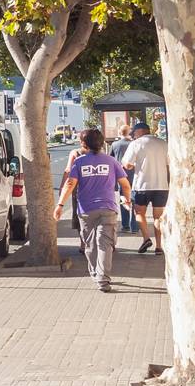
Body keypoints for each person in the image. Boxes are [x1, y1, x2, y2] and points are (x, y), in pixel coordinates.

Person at [54, 128, 131, 292]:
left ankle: (97, 274)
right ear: (102, 143)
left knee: (90, 245)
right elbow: (125, 184)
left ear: (83, 144)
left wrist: (60, 205)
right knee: (105, 244)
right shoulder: (111, 161)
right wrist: (127, 199)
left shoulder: (80, 162)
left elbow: (70, 184)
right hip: (108, 208)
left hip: (86, 210)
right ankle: (103, 279)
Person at [123, 121, 170, 254]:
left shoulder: (136, 144)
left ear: (139, 132)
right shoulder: (163, 143)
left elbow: (127, 165)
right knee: (158, 217)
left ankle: (146, 238)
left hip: (141, 186)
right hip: (161, 186)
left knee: (139, 213)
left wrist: (134, 165)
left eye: (134, 133)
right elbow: (169, 163)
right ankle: (159, 246)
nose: (133, 136)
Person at [109, 126, 136, 234]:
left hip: (121, 176)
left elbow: (110, 158)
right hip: (134, 174)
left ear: (120, 132)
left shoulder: (115, 145)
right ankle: (134, 225)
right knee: (134, 199)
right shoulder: (134, 144)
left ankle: (125, 225)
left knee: (123, 198)